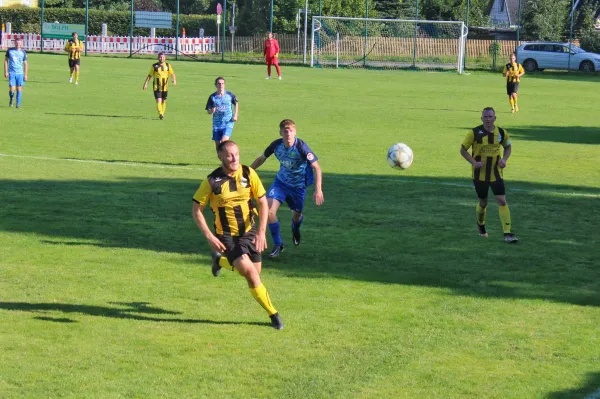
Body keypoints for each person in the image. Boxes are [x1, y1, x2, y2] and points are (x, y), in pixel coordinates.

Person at [192, 140, 283, 330]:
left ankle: (220, 262)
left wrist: (261, 231)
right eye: (230, 155)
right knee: (251, 274)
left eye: (237, 154)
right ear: (220, 156)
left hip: (249, 232)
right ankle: (274, 315)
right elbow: (196, 210)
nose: (234, 158)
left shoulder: (249, 173)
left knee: (254, 274)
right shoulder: (212, 181)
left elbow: (263, 203)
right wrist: (210, 236)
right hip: (227, 236)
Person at [250, 119, 324, 258]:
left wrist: (318, 189)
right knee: (269, 210)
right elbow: (261, 158)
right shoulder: (276, 145)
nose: (288, 133)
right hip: (280, 184)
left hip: (298, 188)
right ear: (281, 132)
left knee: (296, 216)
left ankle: (295, 228)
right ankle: (278, 244)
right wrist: (247, 172)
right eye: (285, 131)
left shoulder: (301, 147)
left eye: (290, 130)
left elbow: (317, 167)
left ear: (295, 132)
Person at [460, 107, 519, 243]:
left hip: (496, 173)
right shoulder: (474, 133)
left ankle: (507, 233)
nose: (487, 119)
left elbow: (508, 147)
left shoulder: (502, 133)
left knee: (502, 200)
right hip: (479, 174)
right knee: (483, 202)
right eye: (485, 117)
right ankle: (481, 226)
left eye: (490, 116)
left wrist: (504, 159)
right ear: (482, 119)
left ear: (494, 118)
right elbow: (463, 150)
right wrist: (474, 162)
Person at [205, 77, 239, 150]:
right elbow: (208, 111)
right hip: (217, 124)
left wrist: (235, 114)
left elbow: (236, 103)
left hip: (228, 122)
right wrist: (212, 111)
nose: (221, 85)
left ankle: (228, 157)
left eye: (222, 83)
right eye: (219, 83)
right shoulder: (212, 97)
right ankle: (224, 159)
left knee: (224, 141)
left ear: (224, 85)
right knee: (218, 146)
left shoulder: (230, 95)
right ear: (216, 85)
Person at [143, 52, 176, 120]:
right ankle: (161, 113)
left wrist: (174, 80)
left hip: (165, 86)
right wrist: (145, 84)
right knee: (159, 101)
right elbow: (149, 75)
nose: (162, 58)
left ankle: (162, 113)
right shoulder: (154, 66)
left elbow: (172, 73)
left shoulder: (168, 65)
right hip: (156, 86)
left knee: (163, 101)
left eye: (163, 57)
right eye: (160, 57)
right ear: (158, 57)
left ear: (165, 58)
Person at [4, 38, 28, 109]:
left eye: (19, 43)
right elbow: (6, 60)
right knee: (12, 89)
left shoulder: (23, 52)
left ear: (21, 44)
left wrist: (25, 74)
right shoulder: (10, 51)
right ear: (15, 43)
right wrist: (6, 71)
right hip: (11, 73)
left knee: (19, 89)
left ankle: (18, 105)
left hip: (20, 73)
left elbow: (25, 63)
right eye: (17, 43)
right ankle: (11, 99)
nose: (18, 44)